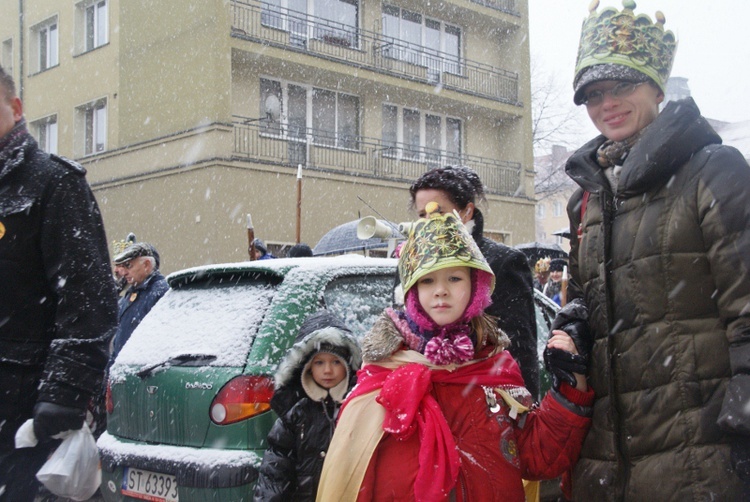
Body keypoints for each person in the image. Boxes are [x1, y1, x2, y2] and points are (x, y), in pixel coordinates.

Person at [558, 2, 750, 499]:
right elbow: (584, 299)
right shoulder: (586, 198)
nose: (608, 104)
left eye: (623, 85)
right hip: (609, 457)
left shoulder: (713, 171)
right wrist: (573, 329)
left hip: (699, 448)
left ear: (657, 88)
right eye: (594, 94)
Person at [317, 206, 593, 501]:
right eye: (427, 280)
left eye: (454, 278)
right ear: (412, 292)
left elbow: (538, 455)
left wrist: (570, 384)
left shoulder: (495, 364)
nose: (440, 291)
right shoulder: (382, 374)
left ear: (475, 287)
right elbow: (352, 475)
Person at [0, 65, 118, 501]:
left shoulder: (53, 183)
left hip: (29, 414)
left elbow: (89, 301)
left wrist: (62, 396)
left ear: (15, 108)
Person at [409, 165, 540, 398]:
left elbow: (520, 348)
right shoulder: (412, 262)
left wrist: (521, 410)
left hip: (481, 400)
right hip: (424, 397)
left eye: (437, 211)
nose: (429, 221)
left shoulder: (502, 263)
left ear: (467, 212)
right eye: (422, 215)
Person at [253, 310, 361, 501]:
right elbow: (275, 472)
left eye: (336, 362)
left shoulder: (357, 407)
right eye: (319, 362)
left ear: (347, 364)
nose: (327, 370)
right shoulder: (296, 413)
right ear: (308, 366)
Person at [110, 242, 169, 363]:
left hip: (143, 371)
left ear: (146, 265)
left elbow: (160, 340)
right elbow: (118, 340)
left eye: (128, 266)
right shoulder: (130, 294)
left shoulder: (160, 292)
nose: (124, 272)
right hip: (123, 369)